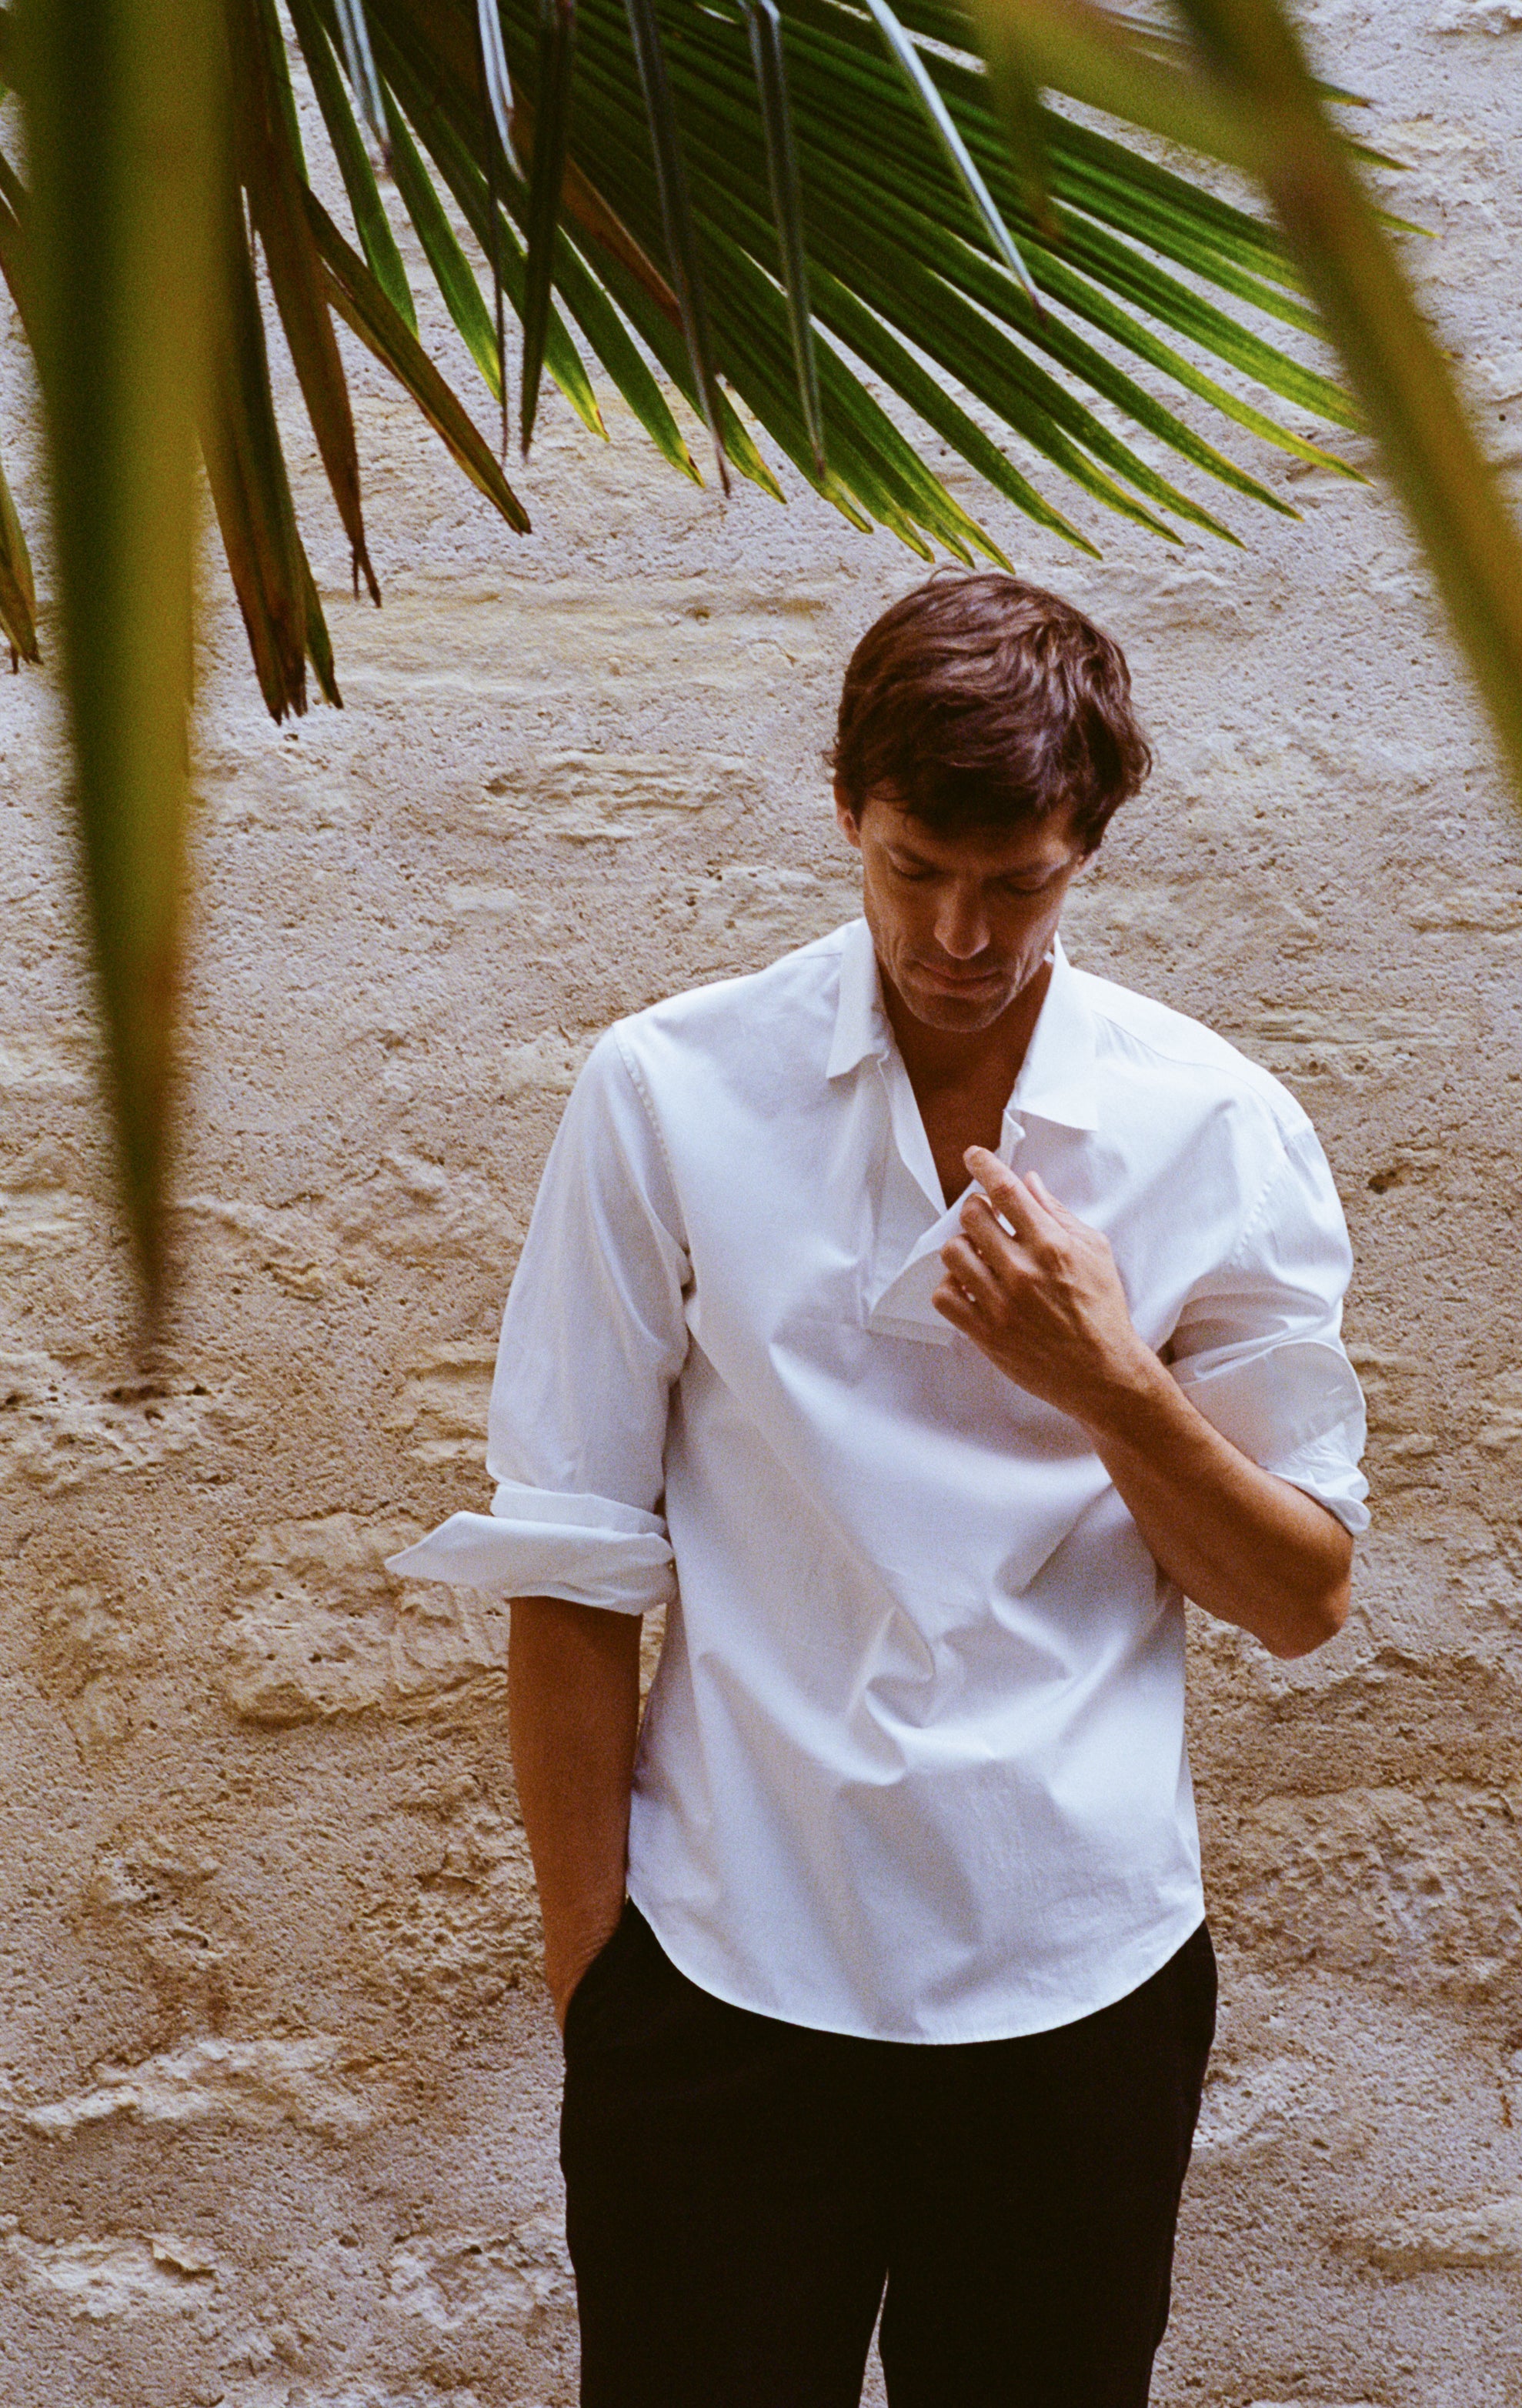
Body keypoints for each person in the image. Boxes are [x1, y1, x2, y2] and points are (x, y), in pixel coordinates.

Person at [390, 571, 1369, 2408]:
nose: (959, 933)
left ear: (1090, 849)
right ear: (846, 802)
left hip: (1079, 1975)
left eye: (1020, 884)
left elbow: (1299, 1594)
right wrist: (599, 1986)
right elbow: (576, 1554)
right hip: (722, 1976)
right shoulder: (667, 1090)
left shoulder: (1213, 1126)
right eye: (916, 868)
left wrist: (1110, 1379)